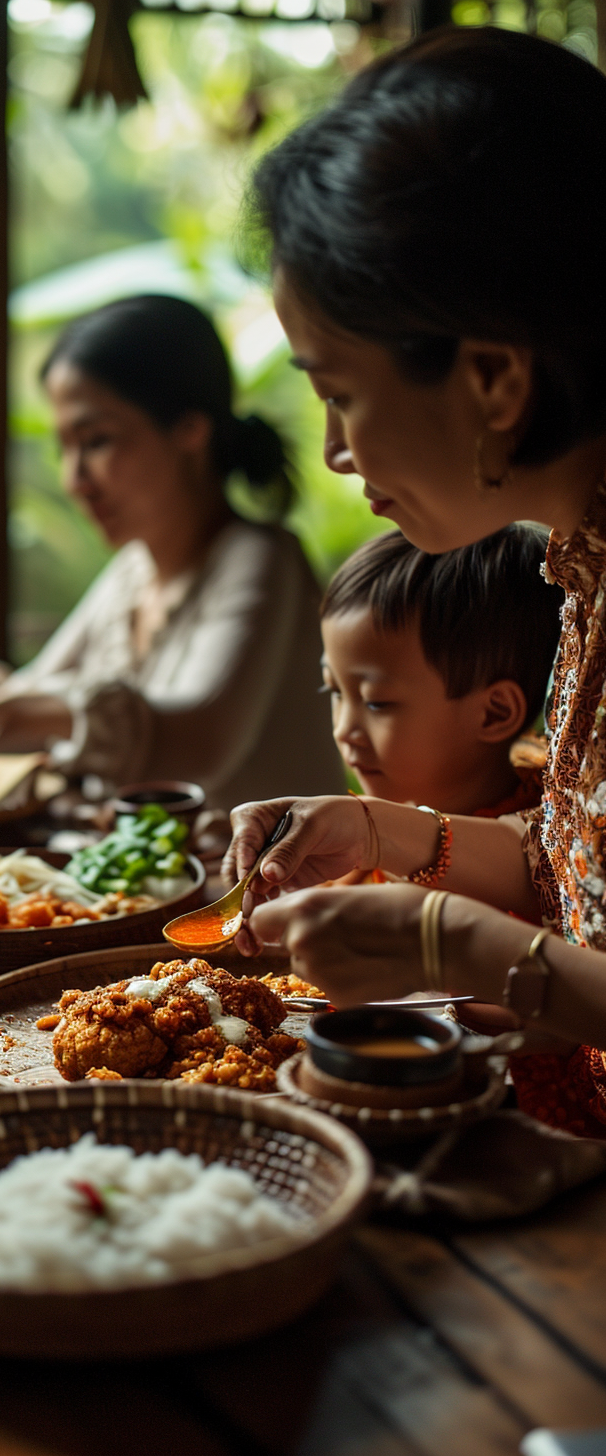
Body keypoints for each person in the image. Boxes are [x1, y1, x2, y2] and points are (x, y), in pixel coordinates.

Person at [222, 26, 606, 1137]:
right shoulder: (579, 561)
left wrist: (460, 945)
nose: (336, 450)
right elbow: (574, 865)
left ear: (492, 377)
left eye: (341, 391)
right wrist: (384, 834)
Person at [0, 296, 341, 810]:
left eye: (96, 441)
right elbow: (20, 697)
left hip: (261, 901)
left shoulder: (260, 558)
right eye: (64, 449)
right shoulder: (133, 571)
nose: (74, 480)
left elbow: (196, 741)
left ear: (189, 431)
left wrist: (1, 708)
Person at [320, 525, 562, 816]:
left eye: (376, 702)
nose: (343, 731)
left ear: (494, 713)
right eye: (334, 691)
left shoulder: (526, 850)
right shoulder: (376, 827)